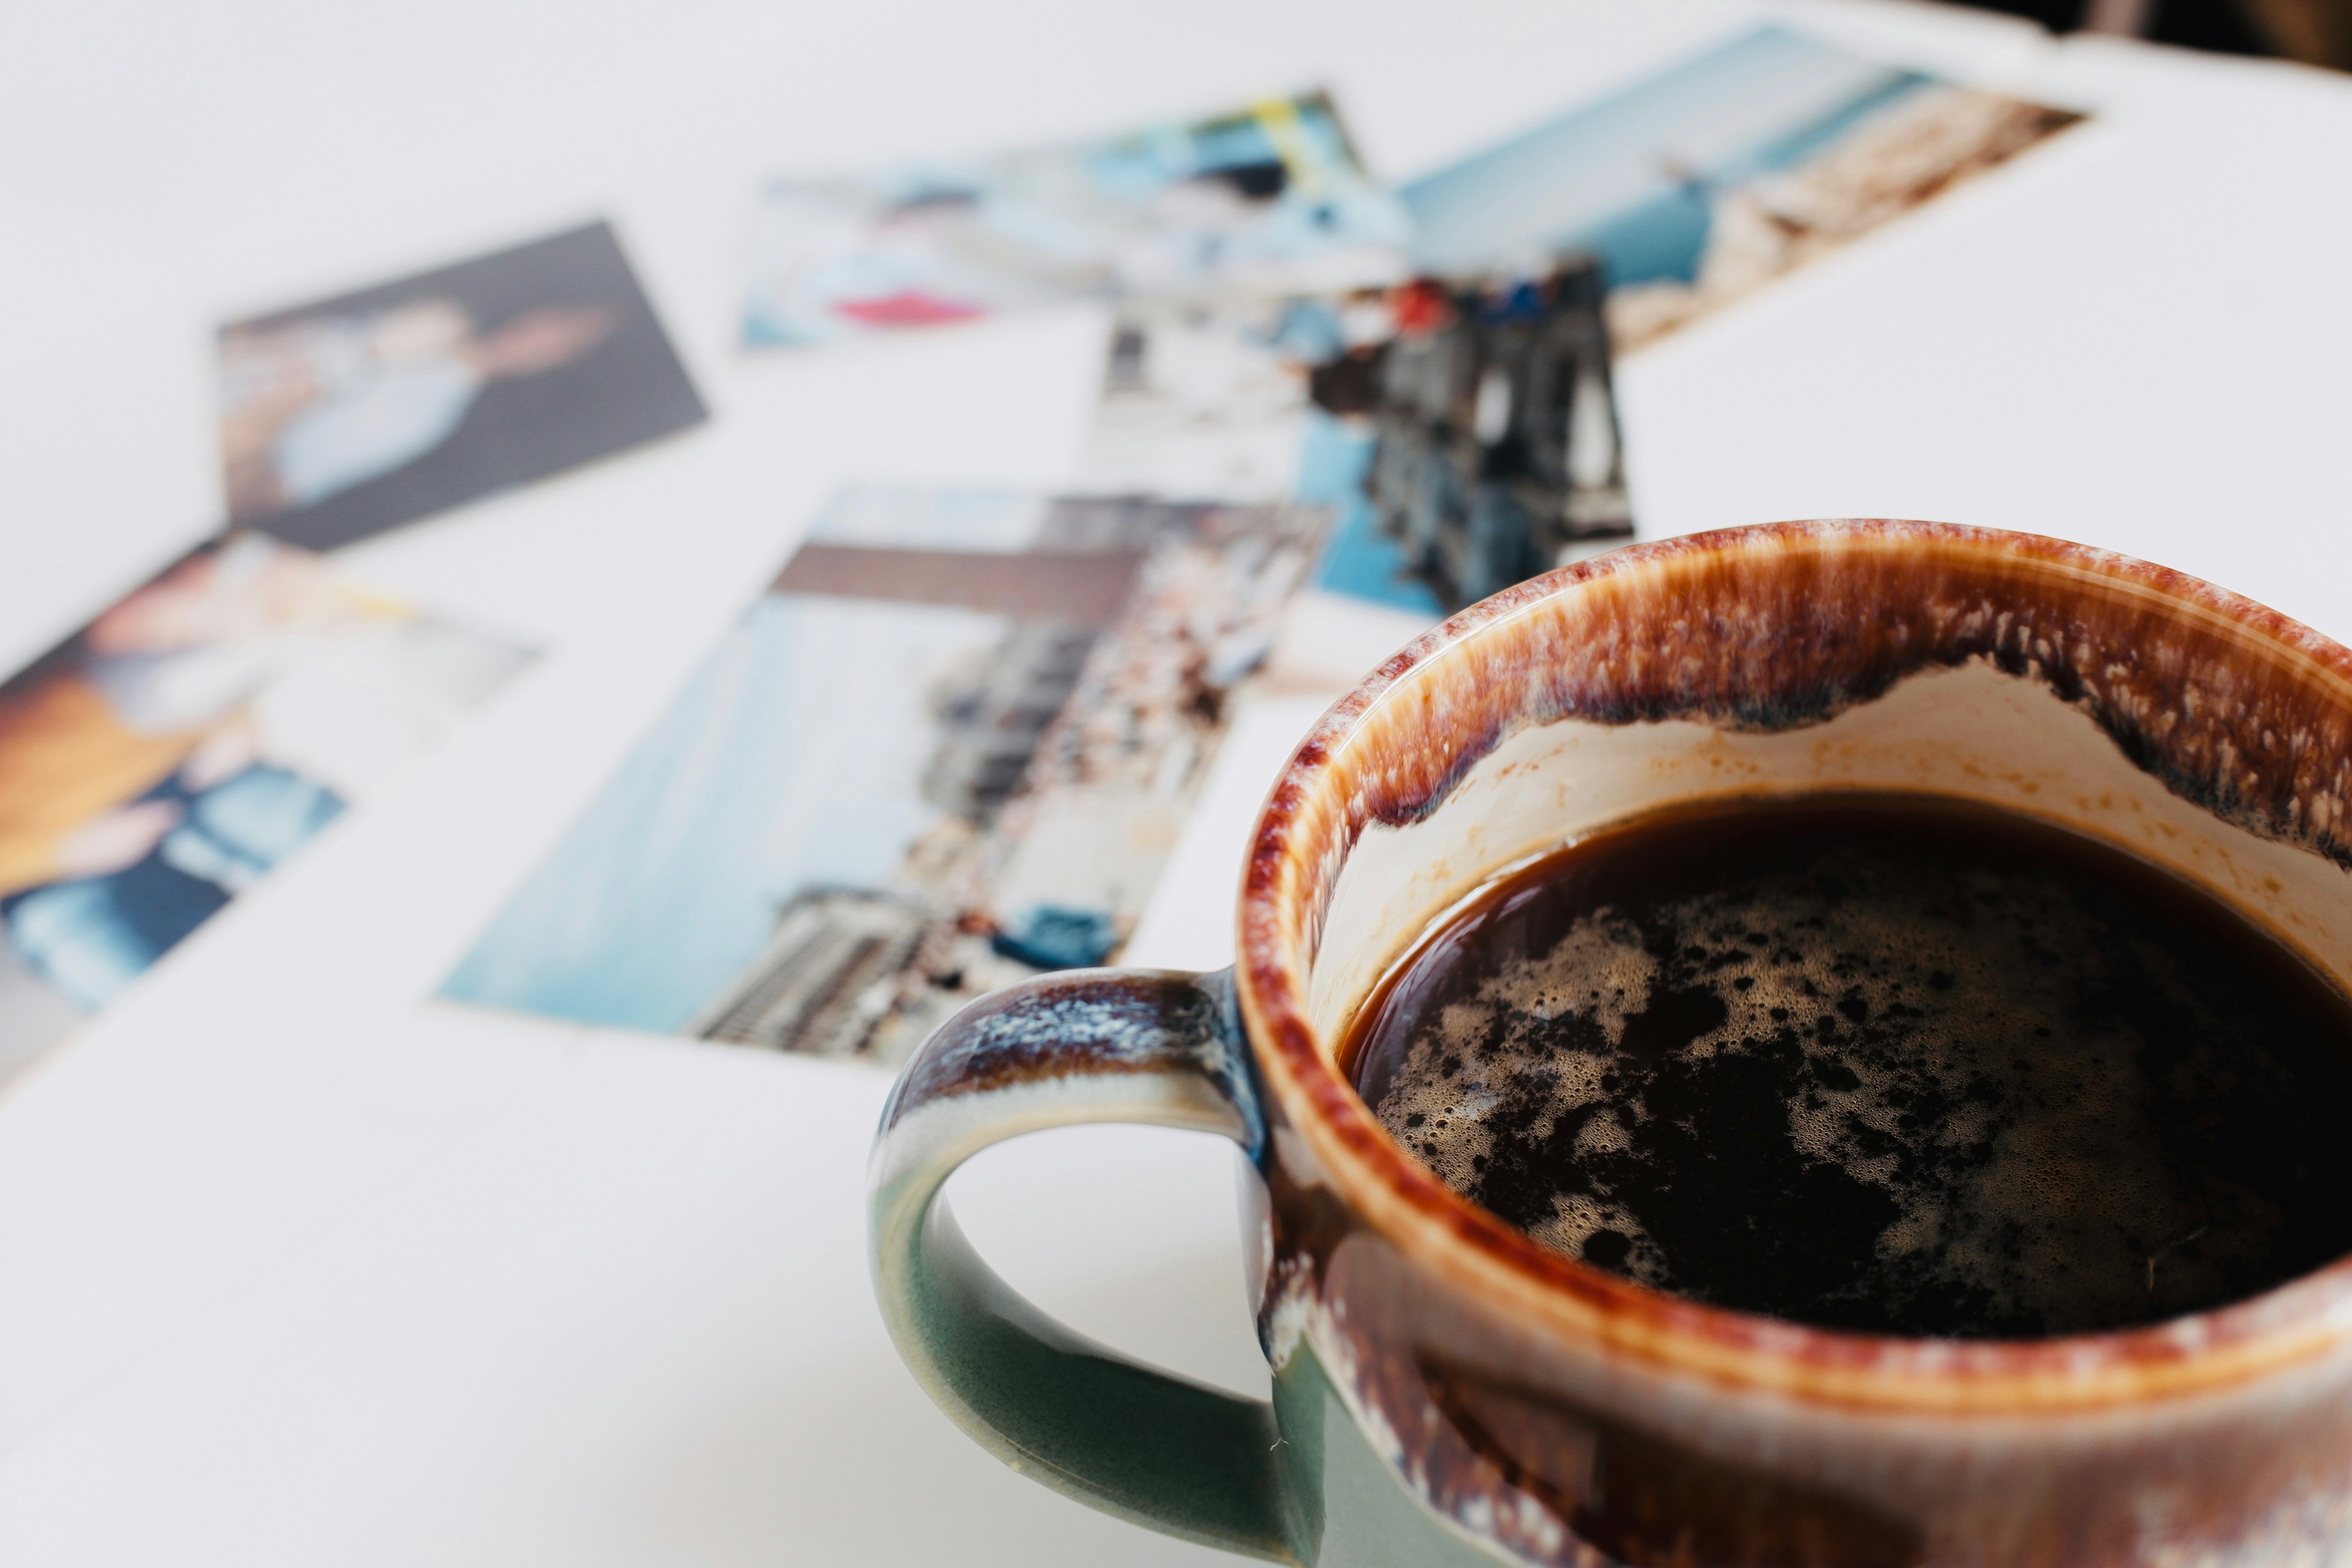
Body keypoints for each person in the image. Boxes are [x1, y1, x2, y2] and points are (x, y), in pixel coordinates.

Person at [220, 298, 618, 518]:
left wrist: (270, 420)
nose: (548, 337)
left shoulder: (428, 422)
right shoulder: (430, 314)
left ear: (552, 365)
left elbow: (261, 496)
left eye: (567, 344)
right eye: (562, 318)